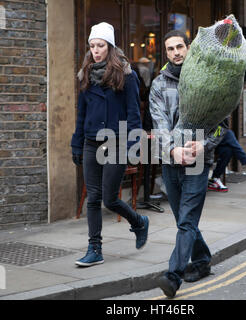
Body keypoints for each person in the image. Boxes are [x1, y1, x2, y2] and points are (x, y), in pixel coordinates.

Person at [149, 30, 225, 298]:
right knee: (184, 219)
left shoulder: (206, 80)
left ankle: (173, 276)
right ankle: (202, 261)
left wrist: (204, 145)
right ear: (166, 53)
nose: (176, 52)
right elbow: (159, 126)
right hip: (171, 162)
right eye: (170, 49)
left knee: (187, 220)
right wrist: (173, 151)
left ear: (188, 47)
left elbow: (221, 128)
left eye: (179, 47)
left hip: (198, 162)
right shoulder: (158, 85)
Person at [71, 22, 149, 267]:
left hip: (116, 142)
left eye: (100, 45)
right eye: (92, 46)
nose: (95, 50)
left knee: (109, 198)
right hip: (91, 143)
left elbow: (134, 113)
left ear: (110, 47)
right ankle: (95, 248)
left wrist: (133, 146)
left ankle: (138, 222)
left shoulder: (126, 75)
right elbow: (81, 114)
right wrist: (77, 143)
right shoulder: (85, 76)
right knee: (93, 198)